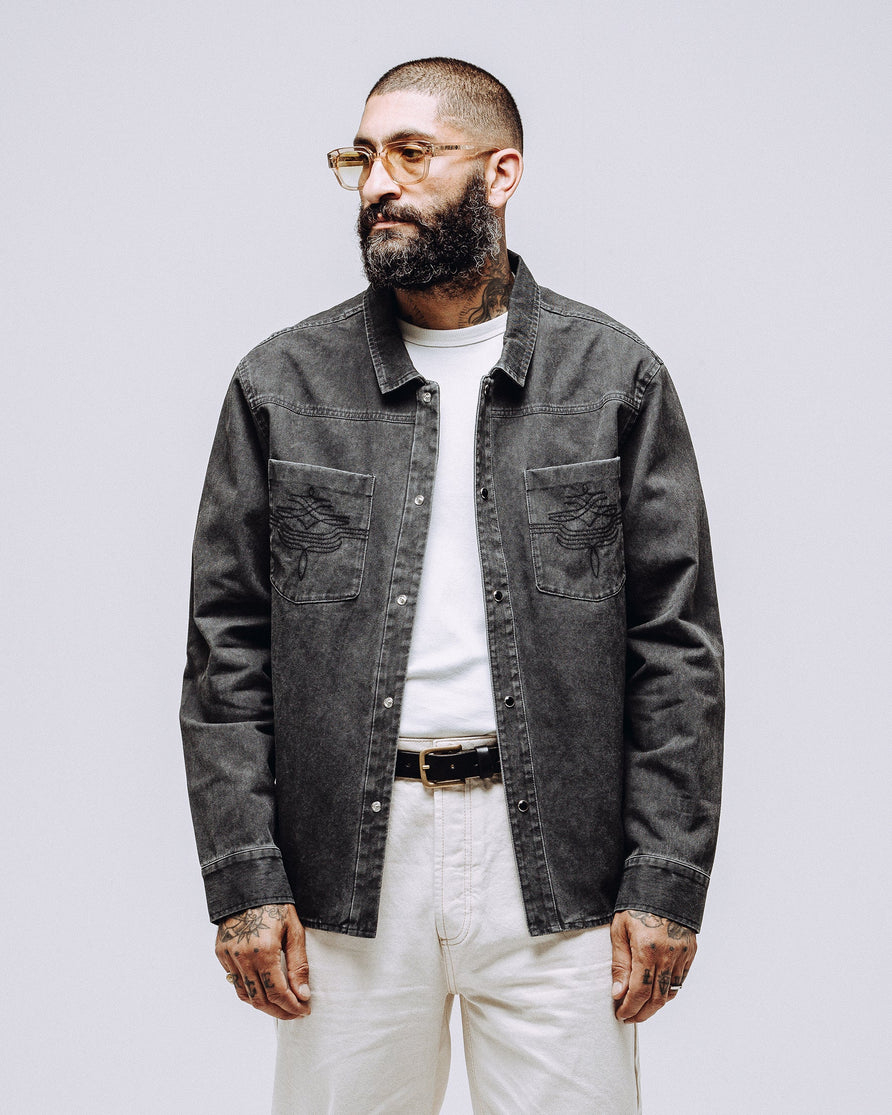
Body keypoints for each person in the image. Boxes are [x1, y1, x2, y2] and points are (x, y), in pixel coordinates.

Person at [181, 57, 723, 1113]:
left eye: (412, 153)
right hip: (347, 865)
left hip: (559, 865)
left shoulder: (614, 378)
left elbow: (675, 643)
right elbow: (226, 645)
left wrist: (665, 874)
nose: (379, 182)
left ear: (500, 173)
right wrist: (244, 875)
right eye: (363, 157)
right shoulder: (280, 385)